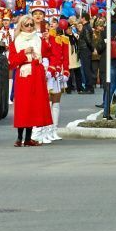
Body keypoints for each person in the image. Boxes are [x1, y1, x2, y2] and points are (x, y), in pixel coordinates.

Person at [8, 14, 52, 146]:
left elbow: (47, 53)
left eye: (31, 25)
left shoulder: (37, 38)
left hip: (37, 74)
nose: (29, 27)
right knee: (23, 106)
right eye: (26, 25)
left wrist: (47, 41)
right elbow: (12, 62)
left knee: (33, 105)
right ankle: (19, 138)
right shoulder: (16, 40)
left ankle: (28, 138)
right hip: (24, 74)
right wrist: (24, 52)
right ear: (21, 26)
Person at [39, 12, 71, 143]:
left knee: (56, 101)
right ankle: (45, 130)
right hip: (46, 70)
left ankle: (53, 129)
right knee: (46, 101)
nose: (51, 25)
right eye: (49, 23)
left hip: (56, 71)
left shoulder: (62, 39)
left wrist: (65, 71)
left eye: (53, 22)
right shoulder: (41, 37)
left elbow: (63, 56)